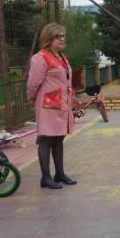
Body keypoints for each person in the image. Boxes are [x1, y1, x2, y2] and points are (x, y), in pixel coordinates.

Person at [27, 23, 75, 190]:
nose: (62, 39)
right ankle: (46, 177)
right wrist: (32, 99)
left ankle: (59, 174)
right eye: (58, 36)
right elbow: (33, 83)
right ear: (48, 39)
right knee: (47, 140)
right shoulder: (40, 58)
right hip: (47, 106)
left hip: (61, 104)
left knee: (59, 138)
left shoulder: (61, 56)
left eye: (63, 36)